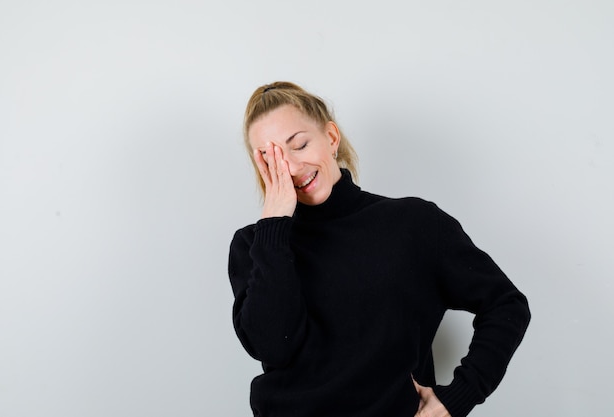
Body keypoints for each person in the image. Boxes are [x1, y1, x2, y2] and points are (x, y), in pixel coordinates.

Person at [227, 81, 530, 417]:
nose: (293, 169)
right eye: (273, 160)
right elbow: (273, 346)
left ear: (330, 137)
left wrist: (457, 397)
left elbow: (507, 306)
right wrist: (274, 228)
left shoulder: (413, 224)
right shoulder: (255, 245)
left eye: (298, 145)